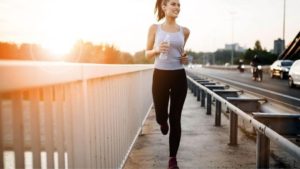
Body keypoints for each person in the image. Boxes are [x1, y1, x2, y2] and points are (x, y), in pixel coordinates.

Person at [145, 0, 190, 168]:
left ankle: (172, 159)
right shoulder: (154, 28)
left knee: (176, 118)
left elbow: (182, 53)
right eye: (173, 4)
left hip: (179, 75)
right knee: (161, 115)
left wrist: (185, 58)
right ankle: (162, 121)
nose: (177, 7)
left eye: (178, 5)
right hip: (160, 75)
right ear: (164, 7)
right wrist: (156, 50)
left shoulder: (184, 31)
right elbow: (147, 54)